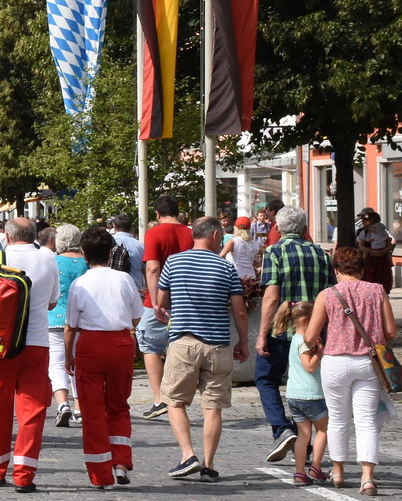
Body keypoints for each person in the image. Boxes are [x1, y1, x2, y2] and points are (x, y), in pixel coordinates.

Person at [156, 216, 249, 481]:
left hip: (184, 342)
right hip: (218, 344)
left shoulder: (174, 262)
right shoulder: (226, 268)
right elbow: (240, 311)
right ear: (216, 236)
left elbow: (162, 300)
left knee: (174, 400)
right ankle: (208, 465)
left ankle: (188, 455)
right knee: (213, 407)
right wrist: (242, 342)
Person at [304, 245, 396, 495]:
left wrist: (318, 343)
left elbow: (311, 335)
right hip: (368, 362)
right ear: (362, 269)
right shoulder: (377, 291)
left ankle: (338, 471)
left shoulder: (328, 294)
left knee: (337, 418)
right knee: (366, 421)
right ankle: (367, 478)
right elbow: (391, 332)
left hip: (335, 362)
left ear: (336, 270)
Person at [0, 218, 57, 492]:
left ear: (8, 236)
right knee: (33, 411)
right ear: (34, 235)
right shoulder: (48, 259)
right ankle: (24, 475)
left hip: (1, 344)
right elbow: (52, 302)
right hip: (37, 343)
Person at [253, 205, 334, 464]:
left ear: (277, 228)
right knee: (309, 387)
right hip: (313, 333)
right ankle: (306, 446)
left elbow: (271, 296)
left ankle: (282, 429)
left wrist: (262, 333)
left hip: (282, 329)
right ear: (305, 228)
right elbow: (330, 297)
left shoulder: (274, 252)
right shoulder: (321, 254)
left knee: (266, 379)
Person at [64, 226, 143, 487]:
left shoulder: (80, 283)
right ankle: (120, 462)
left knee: (92, 409)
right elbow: (135, 315)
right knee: (119, 405)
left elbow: (71, 325)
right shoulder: (124, 279)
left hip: (90, 344)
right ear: (110, 252)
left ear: (85, 253)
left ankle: (100, 473)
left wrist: (68, 355)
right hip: (120, 342)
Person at [138, 195, 195, 419]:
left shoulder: (154, 233)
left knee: (148, 343)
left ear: (157, 214)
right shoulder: (191, 233)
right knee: (178, 345)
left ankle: (160, 398)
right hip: (187, 298)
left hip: (161, 298)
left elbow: (152, 269)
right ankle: (178, 395)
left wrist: (155, 303)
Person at [278, 300, 329, 486]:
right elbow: (309, 366)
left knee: (303, 435)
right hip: (311, 394)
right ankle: (315, 466)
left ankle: (300, 473)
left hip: (293, 394)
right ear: (307, 320)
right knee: (323, 430)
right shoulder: (305, 342)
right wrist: (320, 353)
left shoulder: (293, 340)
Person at [47, 224, 87, 428]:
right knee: (79, 362)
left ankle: (63, 403)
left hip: (54, 317)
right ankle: (80, 407)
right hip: (81, 319)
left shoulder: (53, 261)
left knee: (56, 363)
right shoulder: (87, 263)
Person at [354, 208, 394, 292]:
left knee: (382, 282)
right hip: (369, 260)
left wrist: (382, 252)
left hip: (382, 260)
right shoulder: (362, 232)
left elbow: (391, 242)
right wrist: (370, 251)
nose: (362, 221)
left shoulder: (382, 231)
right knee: (369, 282)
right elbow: (361, 246)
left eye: (365, 218)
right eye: (362, 218)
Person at [110, 212, 146, 294]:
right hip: (135, 293)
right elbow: (146, 272)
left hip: (112, 292)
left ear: (114, 226)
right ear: (130, 228)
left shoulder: (107, 242)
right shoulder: (140, 246)